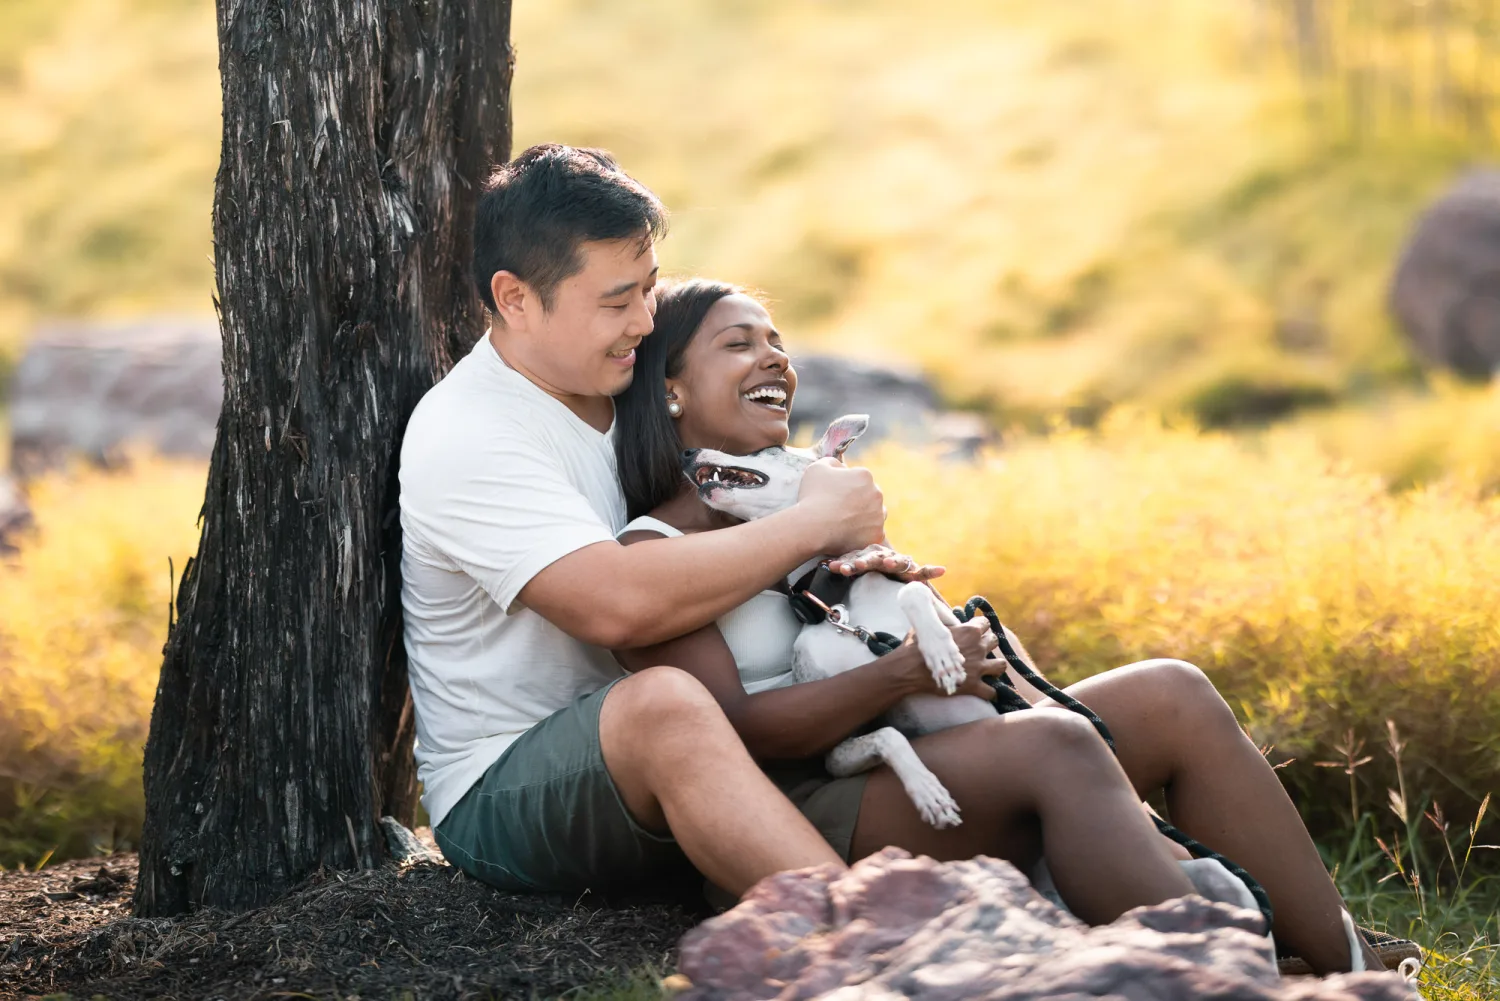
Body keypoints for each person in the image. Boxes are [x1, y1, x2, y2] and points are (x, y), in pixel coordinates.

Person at [609, 277, 1390, 975]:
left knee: (1170, 692)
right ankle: (1221, 984)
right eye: (739, 344)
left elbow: (885, 628)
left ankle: (1347, 960)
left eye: (778, 343)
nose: (775, 359)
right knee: (1056, 745)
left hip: (920, 742)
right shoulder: (654, 550)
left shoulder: (813, 508)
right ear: (671, 388)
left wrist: (957, 646)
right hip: (812, 804)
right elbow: (737, 735)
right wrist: (903, 672)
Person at [399, 143, 938, 905]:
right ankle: (860, 947)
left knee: (1144, 704)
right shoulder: (470, 431)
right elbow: (615, 603)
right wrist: (815, 523)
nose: (646, 321)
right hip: (508, 784)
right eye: (617, 302)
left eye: (650, 290)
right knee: (664, 704)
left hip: (715, 738)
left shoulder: (634, 379)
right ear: (515, 298)